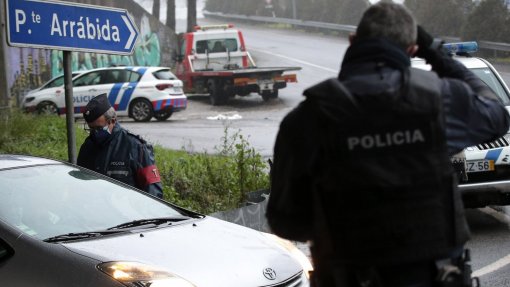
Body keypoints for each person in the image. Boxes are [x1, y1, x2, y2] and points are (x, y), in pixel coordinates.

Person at [266, 2, 510, 287]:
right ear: (411, 50)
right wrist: (437, 54)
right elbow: (497, 114)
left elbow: (285, 221)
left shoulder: (308, 117)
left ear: (353, 42)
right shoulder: (438, 100)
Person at [77, 94, 164, 199]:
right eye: (91, 129)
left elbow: (154, 193)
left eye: (99, 129)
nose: (95, 133)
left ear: (112, 121)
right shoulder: (87, 147)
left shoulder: (136, 147)